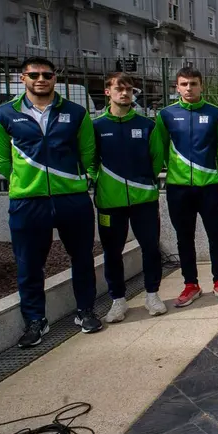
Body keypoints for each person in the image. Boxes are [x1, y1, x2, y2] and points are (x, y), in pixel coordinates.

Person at [0, 56, 102, 347]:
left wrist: (77, 177)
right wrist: (27, 181)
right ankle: (35, 320)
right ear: (22, 78)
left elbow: (87, 152)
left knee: (82, 258)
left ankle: (85, 311)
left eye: (47, 75)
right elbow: (1, 160)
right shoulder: (3, 115)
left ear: (55, 78)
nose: (41, 79)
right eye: (34, 74)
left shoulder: (75, 113)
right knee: (28, 264)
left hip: (71, 198)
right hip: (28, 201)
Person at [91, 72, 166, 322]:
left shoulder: (147, 125)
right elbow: (89, 160)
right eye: (118, 89)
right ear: (107, 92)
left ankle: (152, 295)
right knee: (112, 252)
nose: (124, 93)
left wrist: (142, 184)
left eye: (129, 89)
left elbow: (156, 160)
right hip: (109, 203)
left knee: (150, 248)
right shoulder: (96, 126)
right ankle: (118, 301)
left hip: (144, 201)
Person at [156, 68, 218, 306]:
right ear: (176, 88)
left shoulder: (216, 114)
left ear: (202, 86)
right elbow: (158, 150)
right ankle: (191, 284)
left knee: (216, 235)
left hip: (210, 187)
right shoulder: (166, 115)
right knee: (184, 237)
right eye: (184, 84)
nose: (189, 88)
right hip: (178, 188)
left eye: (193, 84)